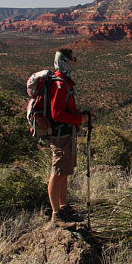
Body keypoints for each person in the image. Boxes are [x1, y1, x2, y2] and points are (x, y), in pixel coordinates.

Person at [48, 48, 94, 228]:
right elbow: (57, 113)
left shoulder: (64, 82)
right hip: (60, 135)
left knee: (64, 172)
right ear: (65, 61)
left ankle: (64, 207)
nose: (75, 61)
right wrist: (80, 119)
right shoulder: (59, 84)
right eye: (72, 58)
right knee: (57, 172)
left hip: (66, 133)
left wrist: (82, 115)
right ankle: (55, 213)